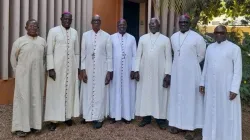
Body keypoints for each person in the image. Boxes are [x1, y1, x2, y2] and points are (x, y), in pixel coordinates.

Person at [167, 14, 206, 139]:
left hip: (191, 74)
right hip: (177, 72)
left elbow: (201, 56)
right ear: (178, 23)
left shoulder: (197, 38)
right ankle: (178, 124)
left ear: (190, 23)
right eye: (181, 22)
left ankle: (191, 128)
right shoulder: (173, 37)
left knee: (190, 100)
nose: (183, 24)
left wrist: (189, 65)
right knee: (177, 98)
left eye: (185, 22)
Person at [200, 25, 242, 140]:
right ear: (213, 34)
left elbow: (238, 71)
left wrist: (234, 89)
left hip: (226, 87)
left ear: (226, 34)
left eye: (221, 33)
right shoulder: (210, 48)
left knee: (226, 113)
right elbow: (206, 67)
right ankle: (211, 136)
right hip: (211, 86)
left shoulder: (234, 49)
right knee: (211, 111)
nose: (218, 35)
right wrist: (202, 82)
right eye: (216, 33)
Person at [10, 19, 46, 137]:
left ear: (38, 28)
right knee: (23, 100)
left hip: (38, 77)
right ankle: (21, 127)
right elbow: (12, 59)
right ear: (26, 28)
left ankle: (35, 125)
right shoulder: (19, 41)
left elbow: (45, 58)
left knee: (36, 98)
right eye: (30, 26)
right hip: (23, 77)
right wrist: (19, 72)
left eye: (35, 26)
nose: (33, 28)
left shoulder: (42, 42)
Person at [134, 17, 172, 130]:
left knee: (159, 94)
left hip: (159, 72)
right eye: (150, 24)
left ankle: (160, 119)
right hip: (144, 71)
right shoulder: (143, 38)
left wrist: (168, 74)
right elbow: (138, 56)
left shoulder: (165, 40)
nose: (152, 25)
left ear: (159, 25)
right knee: (145, 94)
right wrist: (136, 70)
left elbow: (169, 58)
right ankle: (146, 118)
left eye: (154, 24)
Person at [44, 12, 80, 131]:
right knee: (55, 93)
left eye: (69, 19)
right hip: (57, 68)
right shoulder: (53, 31)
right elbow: (49, 51)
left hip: (71, 69)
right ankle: (53, 119)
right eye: (65, 18)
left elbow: (77, 52)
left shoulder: (74, 32)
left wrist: (78, 68)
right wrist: (50, 68)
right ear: (61, 19)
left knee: (70, 92)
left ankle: (67, 116)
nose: (67, 21)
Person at [80, 15, 113, 129]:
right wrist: (83, 71)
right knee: (88, 91)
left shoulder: (107, 36)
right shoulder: (85, 35)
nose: (96, 23)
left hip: (101, 69)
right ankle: (88, 115)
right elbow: (83, 55)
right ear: (91, 22)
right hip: (88, 68)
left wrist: (109, 72)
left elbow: (110, 56)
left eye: (98, 21)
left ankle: (98, 118)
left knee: (99, 93)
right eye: (94, 21)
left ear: (100, 22)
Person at [109, 19, 136, 124]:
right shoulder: (111, 38)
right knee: (114, 91)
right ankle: (113, 115)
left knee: (127, 91)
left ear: (126, 26)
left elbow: (135, 56)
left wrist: (134, 69)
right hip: (115, 70)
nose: (122, 26)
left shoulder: (132, 38)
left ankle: (127, 115)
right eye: (120, 24)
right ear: (117, 26)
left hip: (128, 70)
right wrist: (109, 70)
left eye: (124, 24)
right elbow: (109, 55)